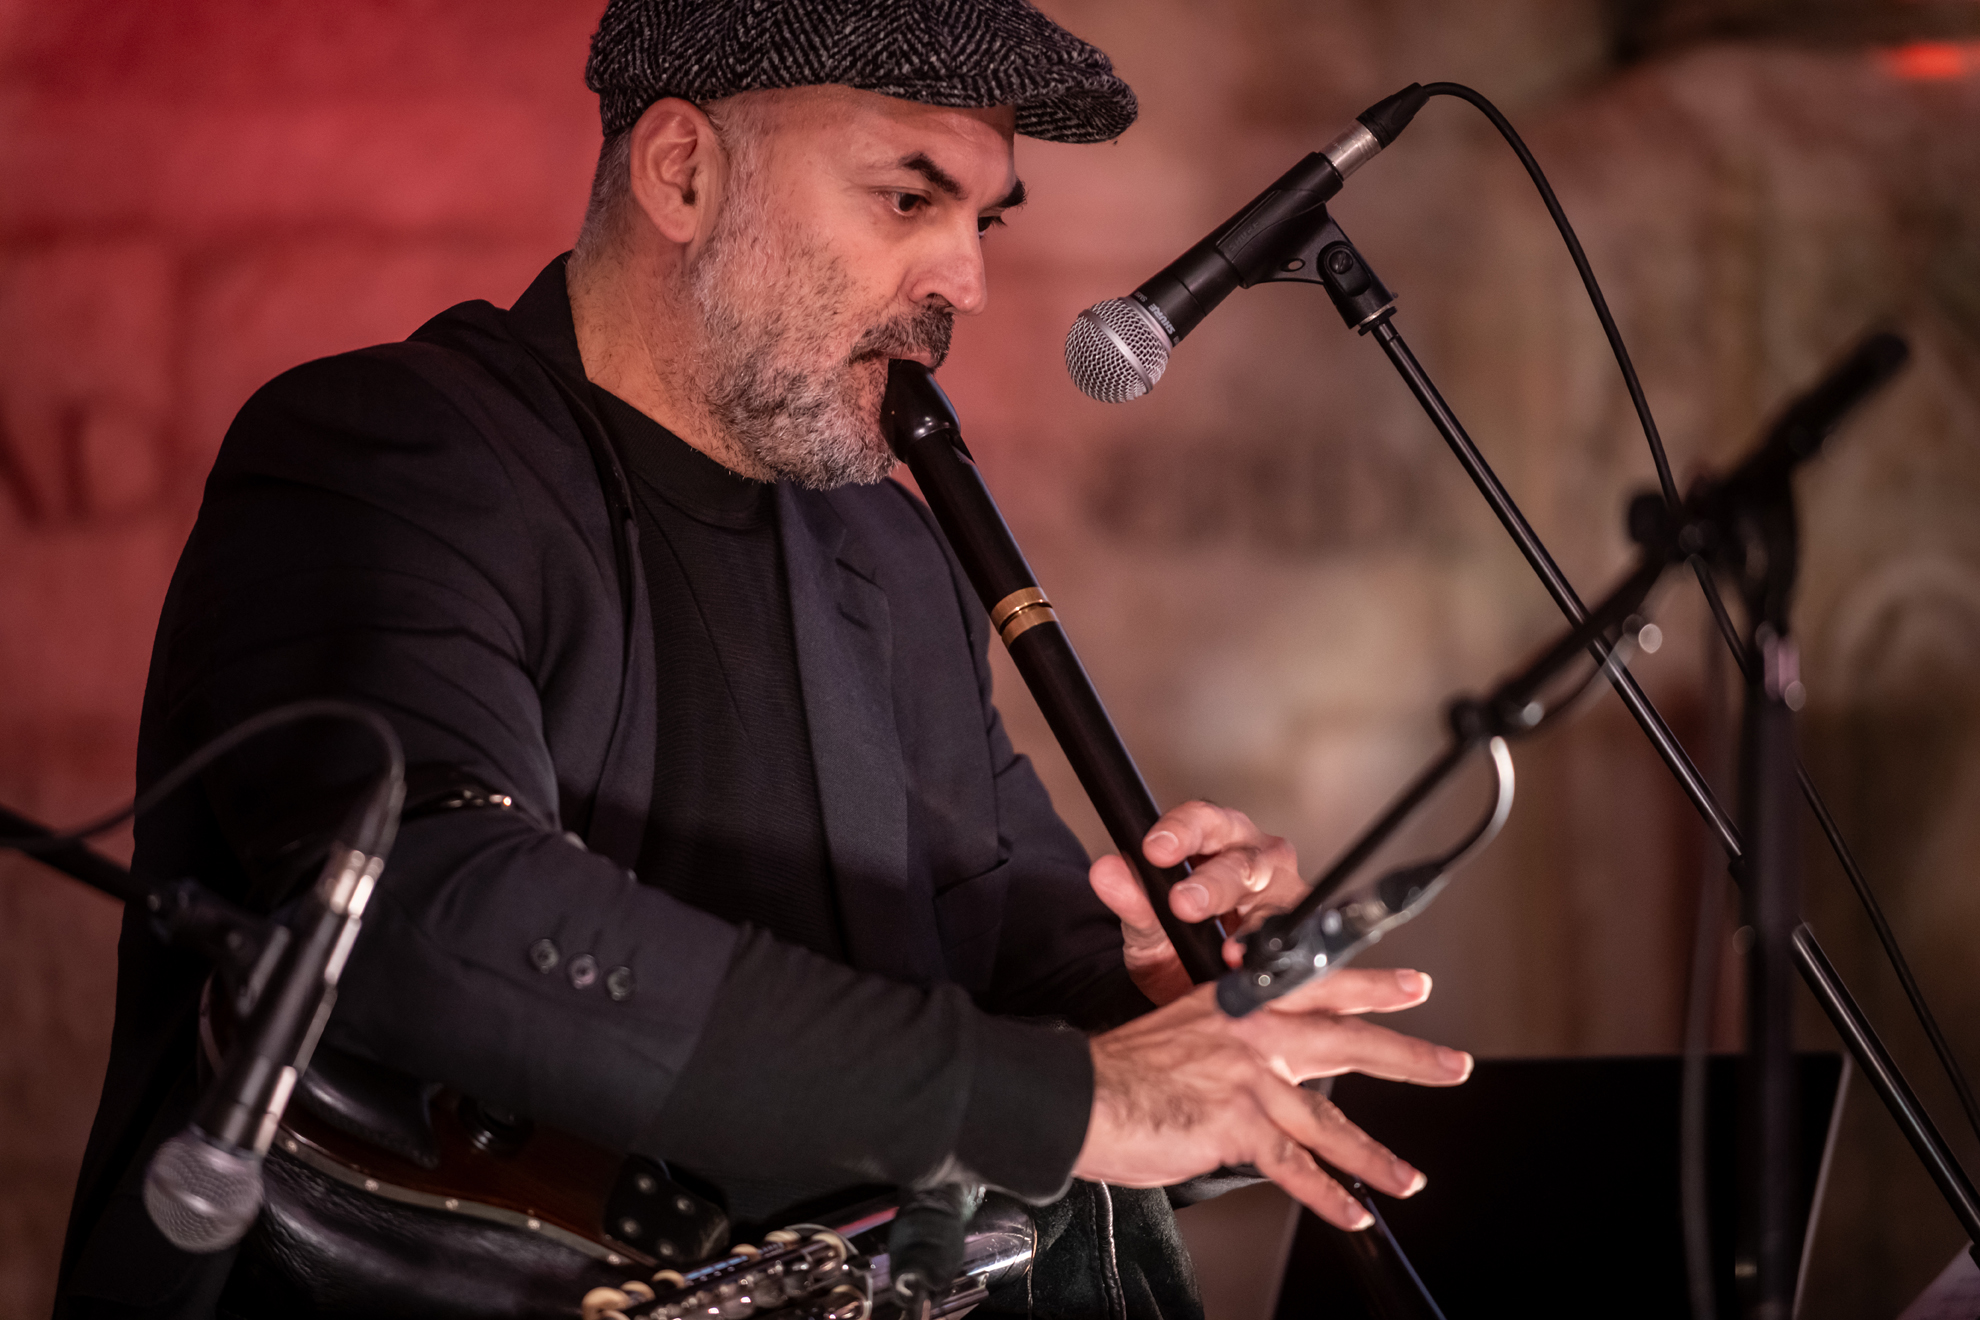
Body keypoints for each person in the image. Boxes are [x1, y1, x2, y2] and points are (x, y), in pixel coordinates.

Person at [55, 2, 1472, 1317]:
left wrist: (1174, 1000)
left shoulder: (893, 559)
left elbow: (1017, 959)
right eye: (908, 197)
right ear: (683, 174)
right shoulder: (385, 455)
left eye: (982, 219)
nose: (968, 282)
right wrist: (1065, 1100)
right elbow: (428, 913)